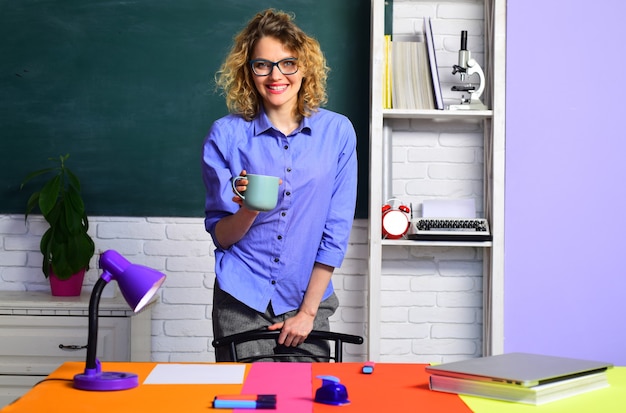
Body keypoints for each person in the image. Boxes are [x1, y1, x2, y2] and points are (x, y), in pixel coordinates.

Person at [201, 8, 358, 362]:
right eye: (262, 65)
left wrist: (306, 313)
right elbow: (222, 236)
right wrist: (249, 208)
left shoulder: (338, 133)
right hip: (241, 301)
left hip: (308, 300)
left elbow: (335, 230)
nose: (276, 75)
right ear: (248, 70)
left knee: (305, 401)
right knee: (246, 402)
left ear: (304, 67)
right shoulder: (225, 136)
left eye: (287, 63)